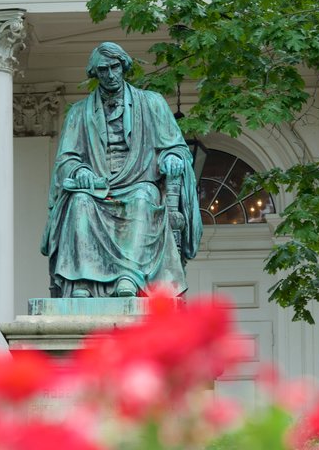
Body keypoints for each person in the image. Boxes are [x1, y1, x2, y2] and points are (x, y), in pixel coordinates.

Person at [40, 42, 202, 298]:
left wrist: (172, 156)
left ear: (124, 66)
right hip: (97, 187)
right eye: (103, 70)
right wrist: (79, 170)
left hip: (139, 183)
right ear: (95, 74)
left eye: (115, 67)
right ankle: (82, 279)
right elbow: (66, 160)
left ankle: (129, 277)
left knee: (142, 199)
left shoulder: (152, 103)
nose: (110, 74)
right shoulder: (79, 113)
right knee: (79, 202)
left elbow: (176, 147)